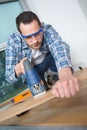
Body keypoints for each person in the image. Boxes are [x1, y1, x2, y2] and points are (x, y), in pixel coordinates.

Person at [5, 11, 80, 98]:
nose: (35, 41)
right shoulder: (13, 41)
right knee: (41, 93)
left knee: (64, 45)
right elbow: (8, 76)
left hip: (49, 61)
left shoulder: (47, 29)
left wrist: (65, 75)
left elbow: (59, 48)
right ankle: (44, 85)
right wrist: (19, 68)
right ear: (20, 34)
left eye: (37, 34)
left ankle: (53, 78)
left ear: (40, 25)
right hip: (33, 70)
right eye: (28, 37)